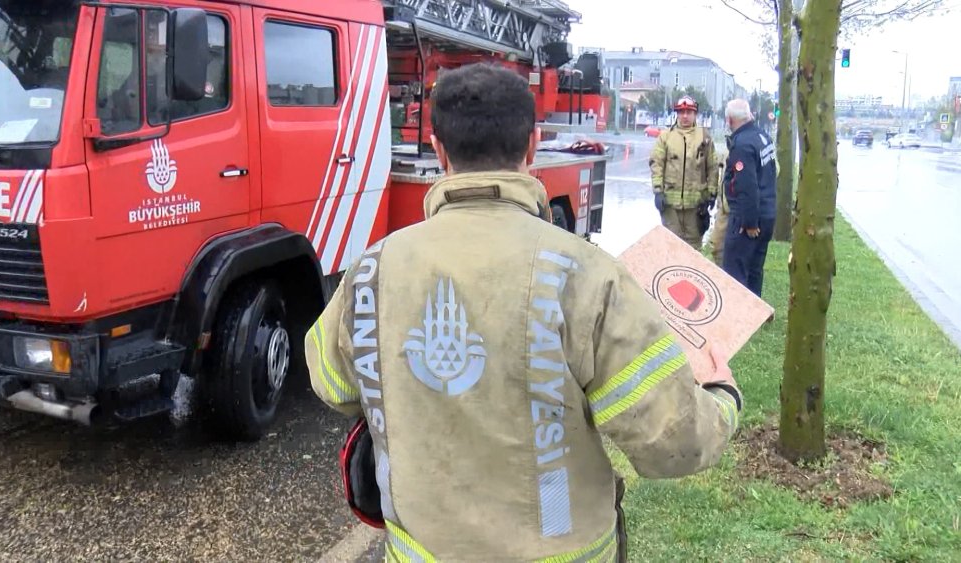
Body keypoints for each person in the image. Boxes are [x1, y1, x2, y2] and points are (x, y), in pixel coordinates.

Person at [305, 63, 742, 562]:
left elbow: (333, 386)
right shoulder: (589, 276)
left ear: (438, 147)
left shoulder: (372, 271)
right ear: (532, 146)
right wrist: (722, 396)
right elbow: (672, 442)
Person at [721, 98, 777, 297]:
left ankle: (739, 320)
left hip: (748, 218)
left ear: (729, 120)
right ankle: (756, 316)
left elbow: (747, 186)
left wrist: (749, 222)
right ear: (749, 115)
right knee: (755, 269)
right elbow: (771, 174)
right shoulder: (762, 137)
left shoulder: (742, 145)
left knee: (736, 271)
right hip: (768, 212)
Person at [649, 96, 718, 251]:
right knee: (671, 246)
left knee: (693, 249)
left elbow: (712, 167)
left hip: (696, 206)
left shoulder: (704, 137)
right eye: (681, 112)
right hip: (670, 205)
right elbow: (656, 164)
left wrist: (712, 193)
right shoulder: (665, 137)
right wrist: (658, 191)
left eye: (688, 112)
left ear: (695, 114)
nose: (685, 116)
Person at [708, 132, 733, 266]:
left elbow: (773, 169)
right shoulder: (725, 155)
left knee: (737, 253)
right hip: (723, 209)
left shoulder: (754, 144)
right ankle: (722, 278)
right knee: (717, 247)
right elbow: (718, 175)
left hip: (741, 211)